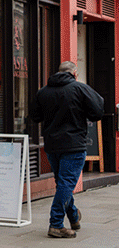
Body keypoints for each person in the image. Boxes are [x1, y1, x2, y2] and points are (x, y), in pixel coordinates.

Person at [29, 60, 103, 239]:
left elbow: (35, 116)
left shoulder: (43, 92)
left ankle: (74, 216)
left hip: (52, 146)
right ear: (74, 73)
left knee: (63, 183)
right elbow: (97, 111)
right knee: (66, 184)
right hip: (73, 145)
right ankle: (56, 224)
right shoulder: (79, 88)